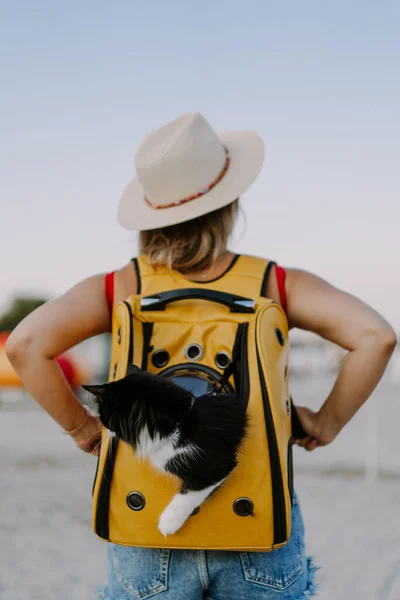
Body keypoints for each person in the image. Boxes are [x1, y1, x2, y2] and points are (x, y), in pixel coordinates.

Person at [6, 113, 396, 599]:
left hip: (147, 522)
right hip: (256, 520)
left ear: (150, 215)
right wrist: (325, 422)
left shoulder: (119, 287)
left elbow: (25, 346)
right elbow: (375, 336)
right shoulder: (273, 284)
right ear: (229, 206)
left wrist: (84, 431)